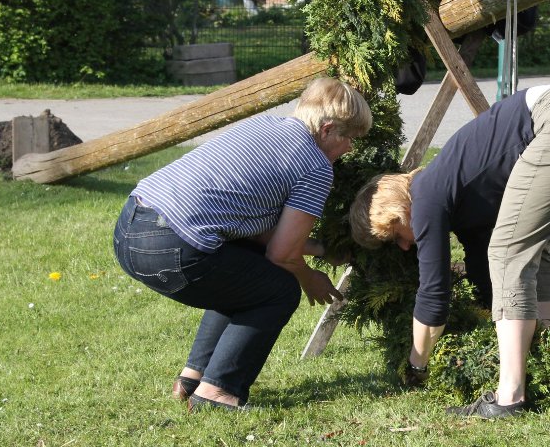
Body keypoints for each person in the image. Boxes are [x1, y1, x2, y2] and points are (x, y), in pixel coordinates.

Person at [349, 82, 550, 419]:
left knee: (510, 251)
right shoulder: (460, 199)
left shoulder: (426, 197)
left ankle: (509, 398)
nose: (405, 245)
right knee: (537, 243)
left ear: (396, 212)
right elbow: (485, 277)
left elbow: (434, 295)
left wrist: (416, 364)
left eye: (395, 236)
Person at [113, 78, 372, 411]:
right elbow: (281, 254)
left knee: (245, 270)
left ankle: (192, 378)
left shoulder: (264, 125)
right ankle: (217, 394)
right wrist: (310, 278)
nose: (350, 148)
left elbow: (251, 228)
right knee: (278, 290)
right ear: (326, 130)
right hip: (173, 249)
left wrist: (320, 249)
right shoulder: (315, 165)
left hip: (130, 227)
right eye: (349, 138)